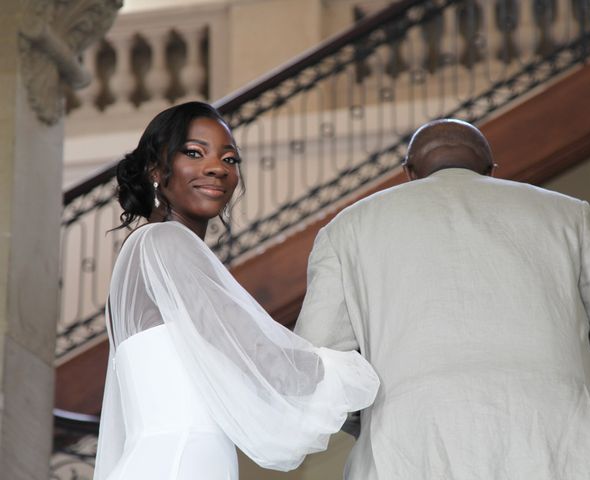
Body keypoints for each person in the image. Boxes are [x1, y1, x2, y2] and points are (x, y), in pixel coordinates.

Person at [294, 118, 590, 479]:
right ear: (491, 171)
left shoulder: (347, 229)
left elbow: (315, 372)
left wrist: (375, 417)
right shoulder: (568, 216)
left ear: (409, 173)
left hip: (410, 450)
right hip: (561, 448)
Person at [93, 101, 379, 480]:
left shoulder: (147, 248)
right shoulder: (166, 243)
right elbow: (255, 353)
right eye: (194, 152)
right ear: (156, 170)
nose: (217, 168)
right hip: (181, 462)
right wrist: (359, 369)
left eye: (230, 159)